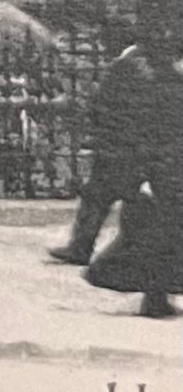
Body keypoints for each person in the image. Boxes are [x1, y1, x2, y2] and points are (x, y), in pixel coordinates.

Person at [84, 15, 183, 318]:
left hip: (162, 168)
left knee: (158, 233)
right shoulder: (166, 83)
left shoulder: (162, 79)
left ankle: (155, 297)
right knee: (161, 234)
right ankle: (154, 298)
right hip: (166, 168)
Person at [48, 39, 150, 265]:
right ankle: (86, 247)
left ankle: (81, 247)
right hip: (137, 144)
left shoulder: (132, 61)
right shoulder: (146, 61)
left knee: (99, 196)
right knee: (121, 197)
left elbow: (106, 101)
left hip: (122, 143)